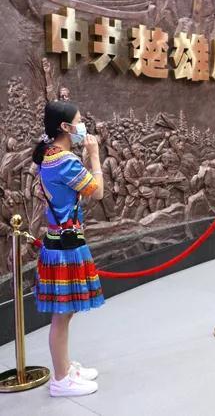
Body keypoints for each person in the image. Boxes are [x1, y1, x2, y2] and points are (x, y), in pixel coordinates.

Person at [31, 100, 105, 397]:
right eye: (79, 120)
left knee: (66, 311)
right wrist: (95, 155)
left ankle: (64, 367)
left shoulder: (49, 155)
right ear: (65, 127)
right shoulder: (66, 161)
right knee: (62, 314)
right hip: (66, 246)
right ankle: (61, 379)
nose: (82, 126)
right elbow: (97, 192)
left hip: (57, 241)